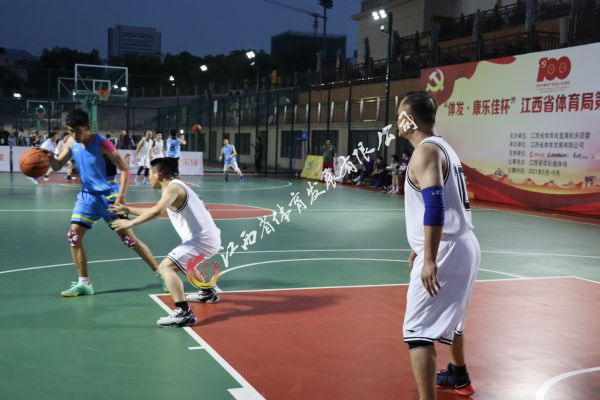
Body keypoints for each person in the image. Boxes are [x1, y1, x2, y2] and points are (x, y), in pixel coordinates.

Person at [397, 91, 480, 400]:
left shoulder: (425, 153)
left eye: (399, 116)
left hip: (445, 250)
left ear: (410, 120)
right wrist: (421, 244)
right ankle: (459, 376)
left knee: (417, 332)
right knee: (454, 317)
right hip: (462, 244)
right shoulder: (443, 146)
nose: (396, 122)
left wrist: (430, 257)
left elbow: (435, 206)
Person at [47, 109, 164, 297]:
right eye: (70, 130)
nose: (73, 134)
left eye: (77, 130)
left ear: (86, 127)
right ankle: (84, 283)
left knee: (130, 240)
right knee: (73, 236)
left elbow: (124, 169)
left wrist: (121, 197)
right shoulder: (71, 142)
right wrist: (48, 158)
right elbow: (58, 165)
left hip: (109, 198)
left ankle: (162, 275)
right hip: (87, 198)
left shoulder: (103, 144)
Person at [110, 158, 222, 327]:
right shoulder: (174, 187)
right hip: (206, 238)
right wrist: (128, 210)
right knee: (185, 262)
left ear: (158, 174)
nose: (148, 177)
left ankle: (184, 313)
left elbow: (157, 211)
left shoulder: (173, 188)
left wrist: (130, 223)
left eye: (149, 173)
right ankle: (207, 293)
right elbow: (157, 210)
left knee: (166, 267)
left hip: (202, 240)